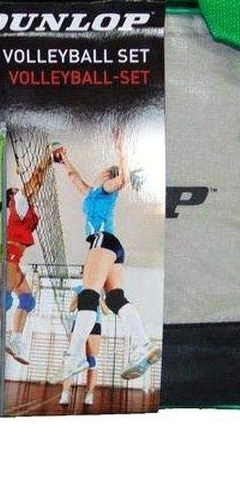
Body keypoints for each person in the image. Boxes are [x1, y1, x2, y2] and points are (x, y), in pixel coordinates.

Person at [55, 128, 161, 381]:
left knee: (88, 296)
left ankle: (74, 356)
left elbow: (122, 180)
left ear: (106, 175)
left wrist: (122, 147)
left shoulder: (105, 188)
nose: (101, 171)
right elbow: (74, 178)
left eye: (105, 171)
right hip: (113, 247)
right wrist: (64, 159)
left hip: (101, 241)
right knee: (114, 299)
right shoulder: (92, 193)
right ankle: (144, 344)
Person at [0, 143, 54, 365]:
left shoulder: (25, 208)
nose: (21, 188)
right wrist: (46, 158)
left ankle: (15, 341)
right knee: (4, 297)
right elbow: (36, 179)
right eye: (17, 189)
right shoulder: (20, 202)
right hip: (8, 253)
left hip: (14, 255)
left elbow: (35, 185)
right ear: (13, 196)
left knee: (27, 300)